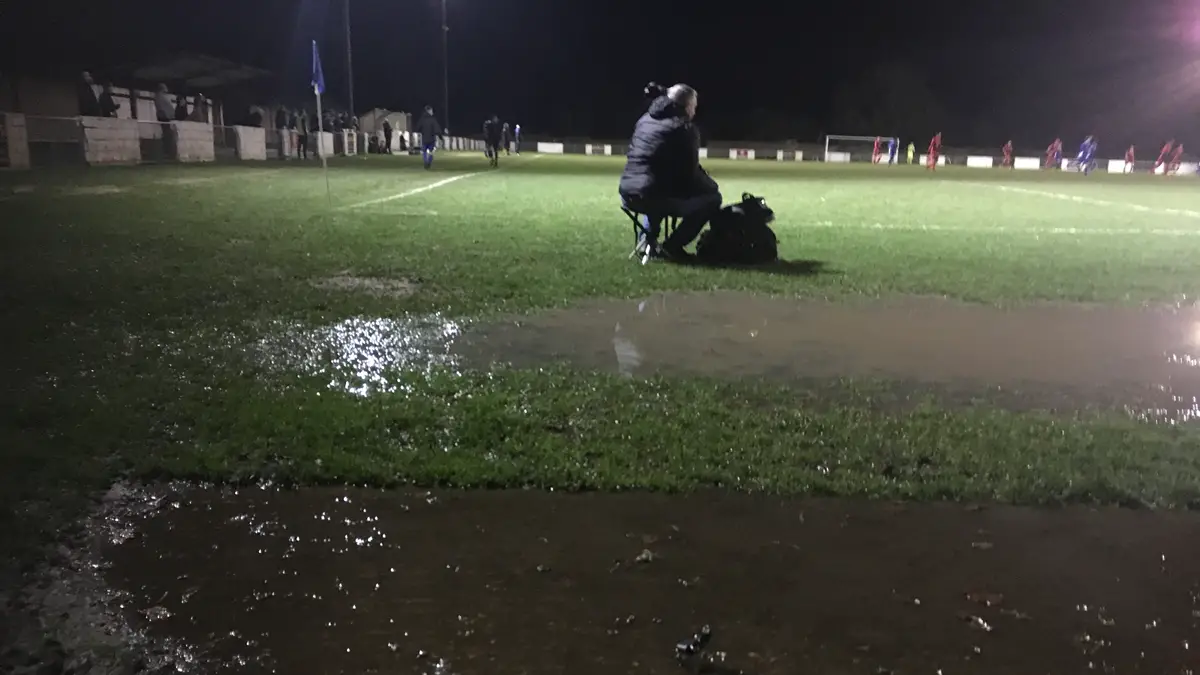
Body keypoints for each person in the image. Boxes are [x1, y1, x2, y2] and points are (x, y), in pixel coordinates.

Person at [618, 82, 721, 261]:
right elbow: (689, 175)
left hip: (628, 194)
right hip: (653, 196)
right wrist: (711, 185)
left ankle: (647, 242)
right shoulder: (684, 128)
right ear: (687, 106)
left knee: (655, 188)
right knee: (712, 199)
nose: (694, 111)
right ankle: (672, 247)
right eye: (694, 106)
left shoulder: (644, 120)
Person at [415, 105, 443, 169]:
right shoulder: (432, 119)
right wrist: (441, 137)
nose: (432, 112)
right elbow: (437, 130)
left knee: (424, 151)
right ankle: (429, 162)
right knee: (431, 152)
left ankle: (425, 161)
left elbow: (417, 128)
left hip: (424, 139)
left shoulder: (422, 119)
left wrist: (422, 131)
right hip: (431, 139)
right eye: (431, 110)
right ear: (429, 111)